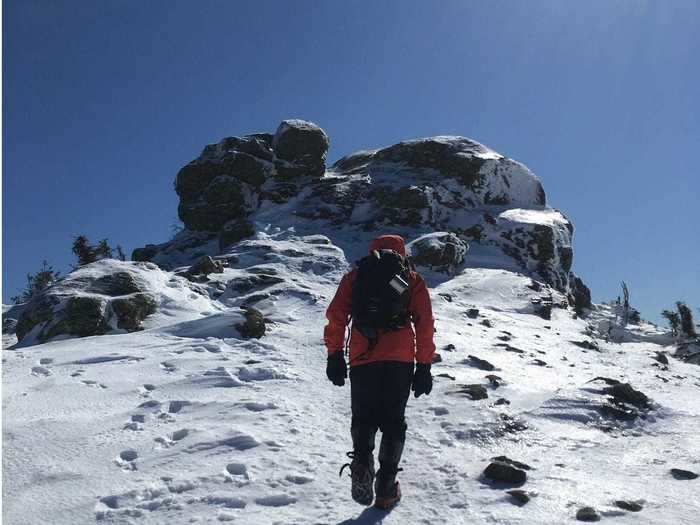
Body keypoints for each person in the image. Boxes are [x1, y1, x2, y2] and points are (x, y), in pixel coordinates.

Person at [324, 234, 436, 510]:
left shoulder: (355, 278)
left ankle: (362, 464)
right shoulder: (410, 279)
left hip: (364, 359)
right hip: (400, 360)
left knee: (363, 418)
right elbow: (424, 325)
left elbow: (337, 317)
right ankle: (386, 488)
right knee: (393, 421)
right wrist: (424, 365)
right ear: (402, 254)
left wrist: (334, 355)